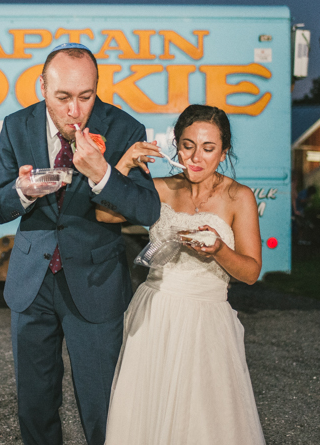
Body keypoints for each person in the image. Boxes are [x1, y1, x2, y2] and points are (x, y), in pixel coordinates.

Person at [0, 43, 161, 445]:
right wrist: (23, 192)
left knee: (102, 407)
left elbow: (148, 209)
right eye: (63, 97)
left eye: (85, 97)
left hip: (96, 282)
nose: (74, 110)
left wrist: (102, 175)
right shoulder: (17, 126)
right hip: (32, 284)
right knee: (34, 404)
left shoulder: (124, 129)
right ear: (42, 87)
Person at [97, 105, 266, 444]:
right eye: (188, 145)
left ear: (223, 151)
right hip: (155, 311)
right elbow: (104, 216)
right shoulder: (159, 188)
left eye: (208, 148)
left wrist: (219, 250)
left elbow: (250, 272)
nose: (196, 157)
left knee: (203, 418)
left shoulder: (239, 197)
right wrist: (125, 164)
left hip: (207, 318)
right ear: (177, 145)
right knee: (147, 410)